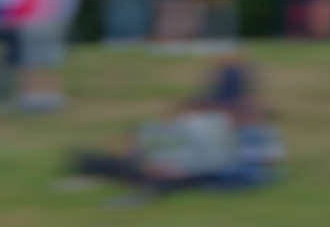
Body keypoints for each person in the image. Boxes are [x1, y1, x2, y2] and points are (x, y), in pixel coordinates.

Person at [67, 59, 283, 195]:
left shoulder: (254, 132)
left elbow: (260, 166)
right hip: (177, 163)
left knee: (149, 170)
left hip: (194, 171)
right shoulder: (207, 120)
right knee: (105, 159)